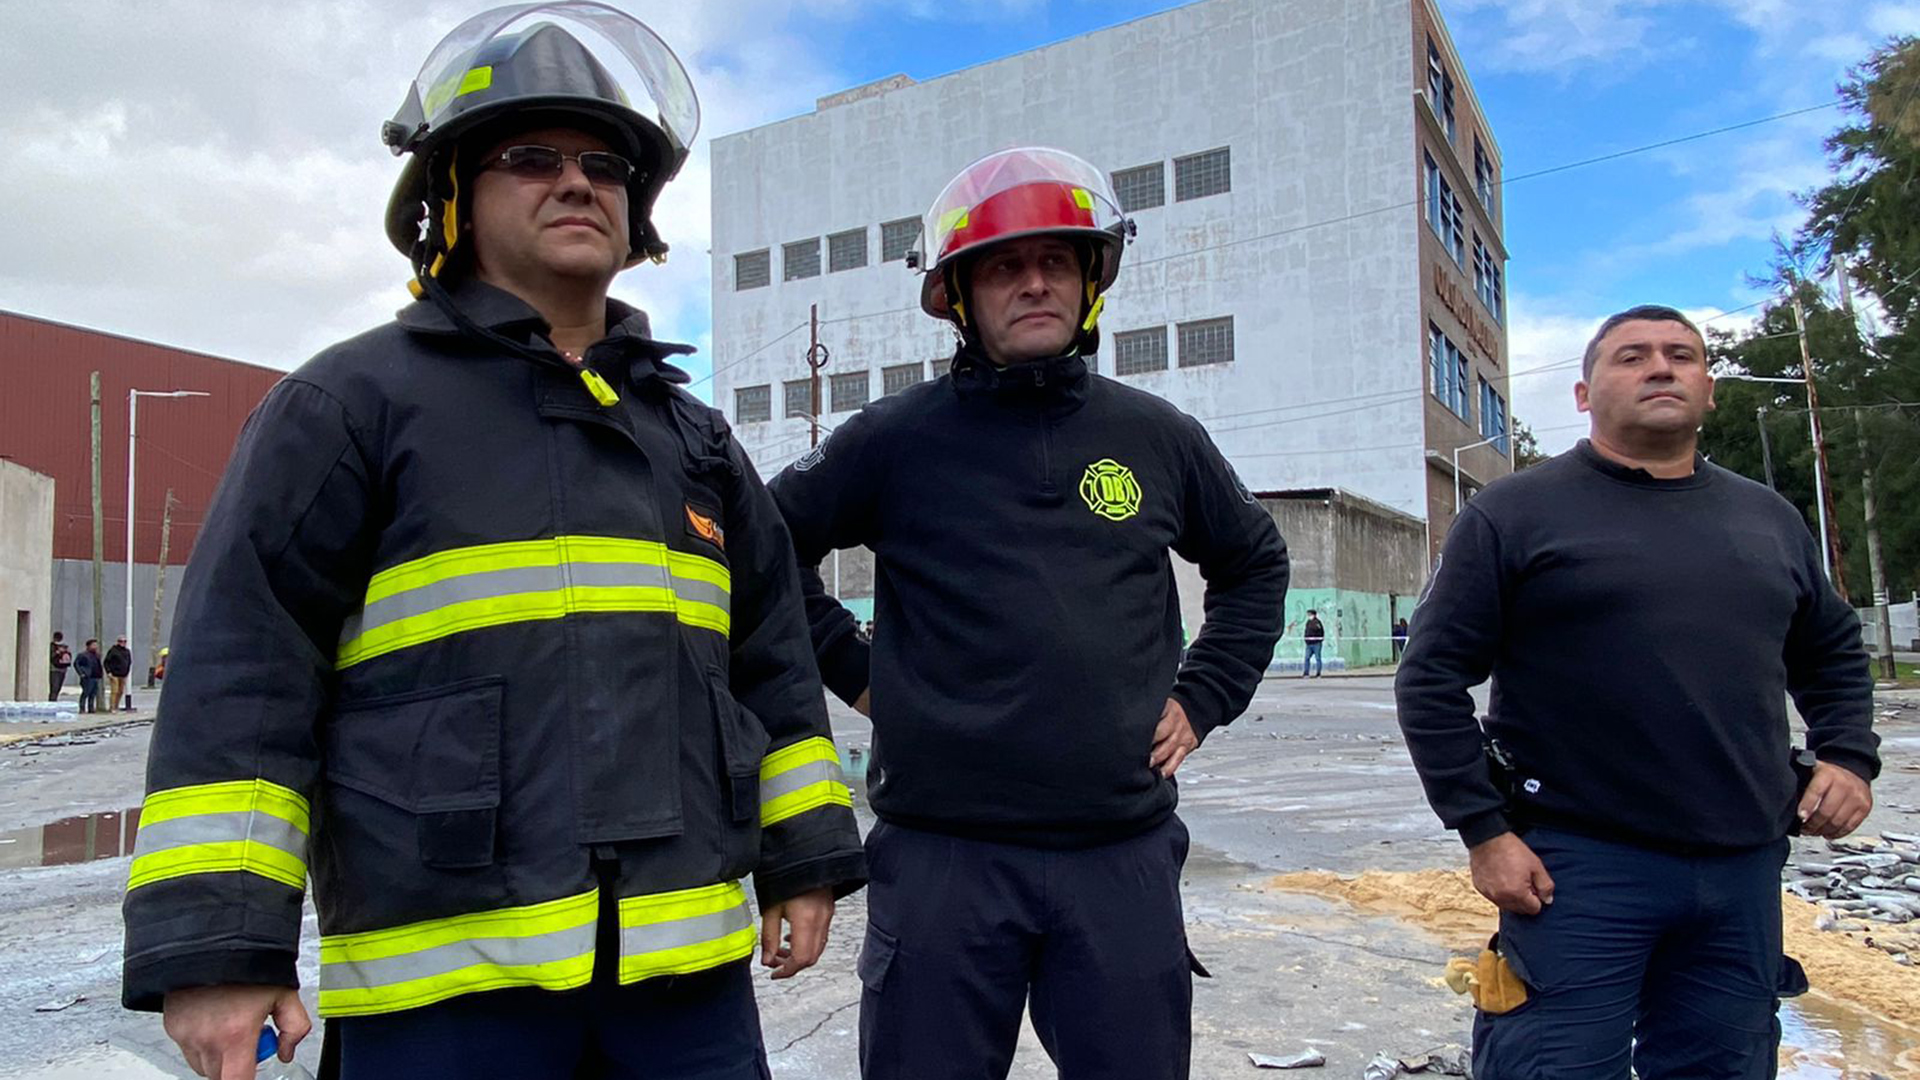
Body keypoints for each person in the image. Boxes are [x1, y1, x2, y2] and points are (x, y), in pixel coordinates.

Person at [120, 8, 864, 1080]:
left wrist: (804, 859)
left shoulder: (692, 440)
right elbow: (245, 676)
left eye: (605, 163)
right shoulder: (351, 406)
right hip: (448, 993)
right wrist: (216, 951)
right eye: (532, 157)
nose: (578, 182)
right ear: (452, 199)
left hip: (685, 993)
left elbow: (774, 667)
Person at [769, 147, 1289, 1080]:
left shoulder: (1157, 435)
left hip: (1118, 857)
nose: (1035, 281)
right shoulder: (893, 439)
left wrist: (1206, 693)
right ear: (958, 295)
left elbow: (1255, 560)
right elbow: (765, 545)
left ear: (1094, 281)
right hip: (940, 861)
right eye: (1005, 264)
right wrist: (856, 671)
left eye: (1058, 260)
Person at [1395, 305, 1878, 1079]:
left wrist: (1848, 757)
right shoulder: (1515, 513)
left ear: (1708, 389)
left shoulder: (1769, 520)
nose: (1661, 366)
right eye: (1633, 356)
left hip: (1742, 867)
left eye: (1682, 355)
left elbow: (1832, 652)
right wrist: (1484, 831)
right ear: (1584, 395)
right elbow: (1430, 678)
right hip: (1576, 870)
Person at [105, 635, 134, 712]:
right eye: (121, 641)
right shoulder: (113, 650)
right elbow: (106, 662)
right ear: (118, 642)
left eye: (124, 641)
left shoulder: (127, 651)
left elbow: (129, 662)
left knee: (120, 691)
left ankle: (116, 706)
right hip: (114, 674)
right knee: (115, 691)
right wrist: (109, 672)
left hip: (123, 674)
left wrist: (127, 672)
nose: (123, 643)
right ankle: (112, 707)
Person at [73, 639, 103, 714]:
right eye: (93, 645)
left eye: (96, 645)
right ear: (88, 646)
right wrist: (81, 673)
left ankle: (91, 708)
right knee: (86, 692)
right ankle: (82, 708)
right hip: (87, 677)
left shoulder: (97, 655)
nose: (95, 647)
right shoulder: (83, 655)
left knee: (93, 694)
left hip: (96, 676)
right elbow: (76, 664)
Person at [1301, 609, 1325, 678]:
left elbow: (1321, 632)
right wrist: (1306, 639)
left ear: (1314, 615)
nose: (1309, 616)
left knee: (1318, 658)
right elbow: (1306, 631)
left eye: (1309, 614)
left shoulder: (1317, 623)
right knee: (1306, 658)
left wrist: (1319, 640)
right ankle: (1306, 673)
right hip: (1309, 644)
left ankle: (1318, 674)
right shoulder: (1308, 622)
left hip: (1316, 643)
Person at [48, 632, 71, 701]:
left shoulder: (64, 646)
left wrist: (67, 652)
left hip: (63, 669)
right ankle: (52, 702)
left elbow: (68, 657)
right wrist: (57, 652)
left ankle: (54, 700)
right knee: (54, 688)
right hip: (54, 669)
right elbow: (50, 657)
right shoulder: (52, 646)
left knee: (58, 688)